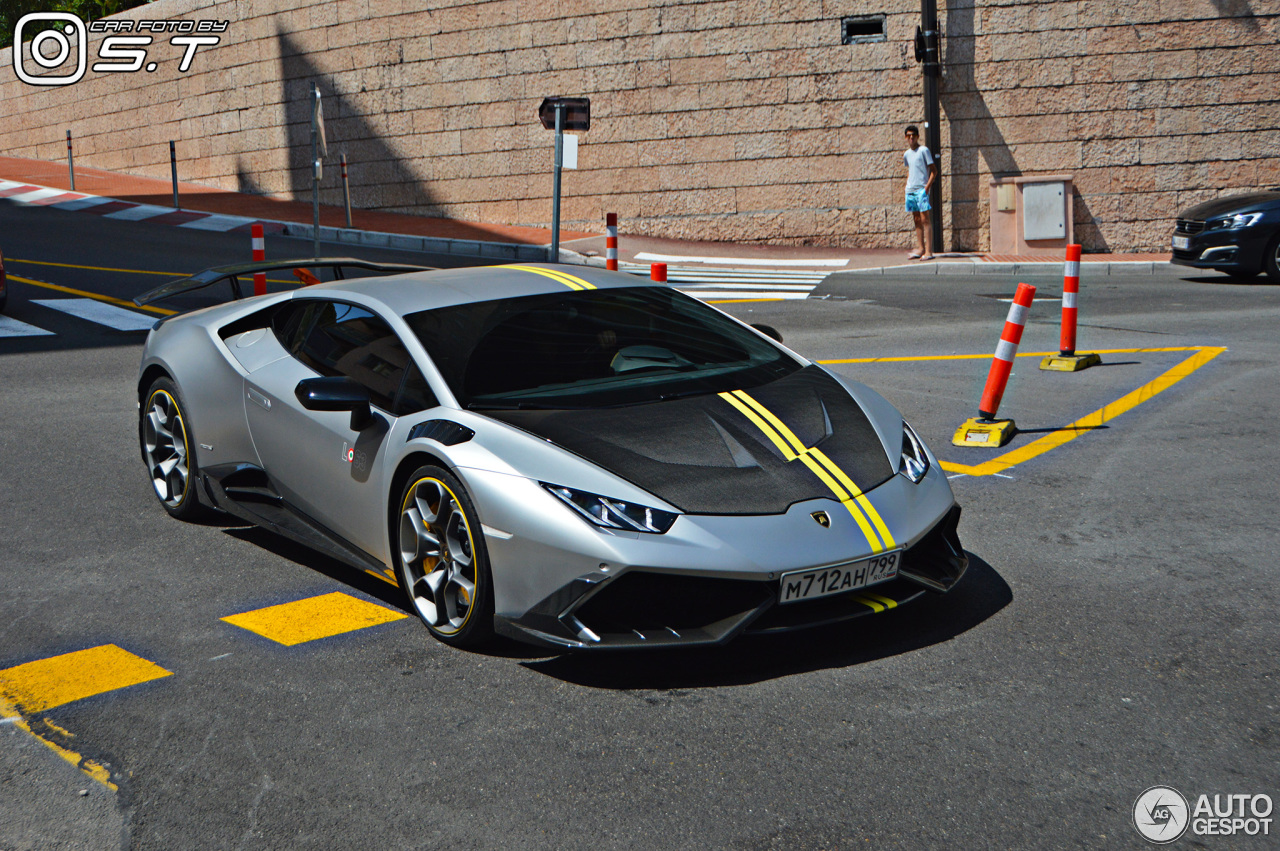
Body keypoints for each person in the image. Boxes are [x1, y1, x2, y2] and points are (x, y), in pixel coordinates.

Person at [902, 125, 937, 261]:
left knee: (925, 218)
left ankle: (928, 251)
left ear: (917, 136)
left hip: (921, 189)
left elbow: (934, 171)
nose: (911, 138)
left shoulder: (924, 150)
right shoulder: (906, 154)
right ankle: (920, 247)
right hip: (910, 190)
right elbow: (910, 170)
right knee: (916, 219)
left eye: (913, 135)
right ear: (906, 137)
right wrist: (907, 186)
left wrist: (927, 187)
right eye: (908, 135)